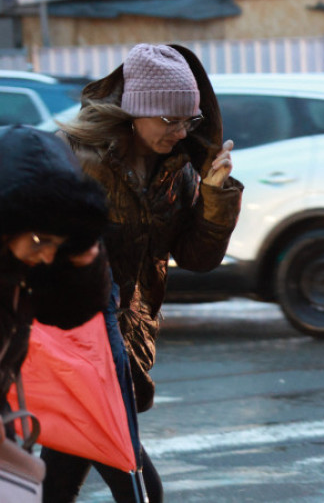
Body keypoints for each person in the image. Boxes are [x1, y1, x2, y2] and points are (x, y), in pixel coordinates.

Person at [42, 43, 243, 503]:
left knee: (58, 478)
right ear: (134, 110)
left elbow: (196, 257)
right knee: (139, 485)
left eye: (188, 120)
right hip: (77, 345)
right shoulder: (77, 158)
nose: (180, 131)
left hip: (125, 342)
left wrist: (216, 195)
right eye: (168, 120)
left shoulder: (178, 169)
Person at [1, 125, 111, 418]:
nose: (49, 256)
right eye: (41, 240)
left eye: (59, 245)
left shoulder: (24, 264)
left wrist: (84, 266)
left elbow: (63, 314)